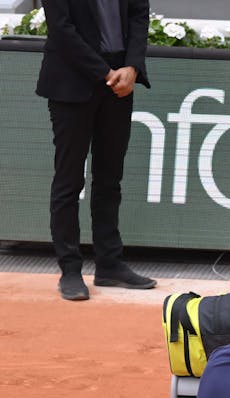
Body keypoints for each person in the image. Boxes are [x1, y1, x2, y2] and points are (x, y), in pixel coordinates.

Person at [36, 0, 157, 301]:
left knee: (109, 179)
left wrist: (131, 66)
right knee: (69, 181)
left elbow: (139, 13)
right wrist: (105, 73)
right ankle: (70, 270)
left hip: (120, 83)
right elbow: (62, 30)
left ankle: (109, 264)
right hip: (73, 84)